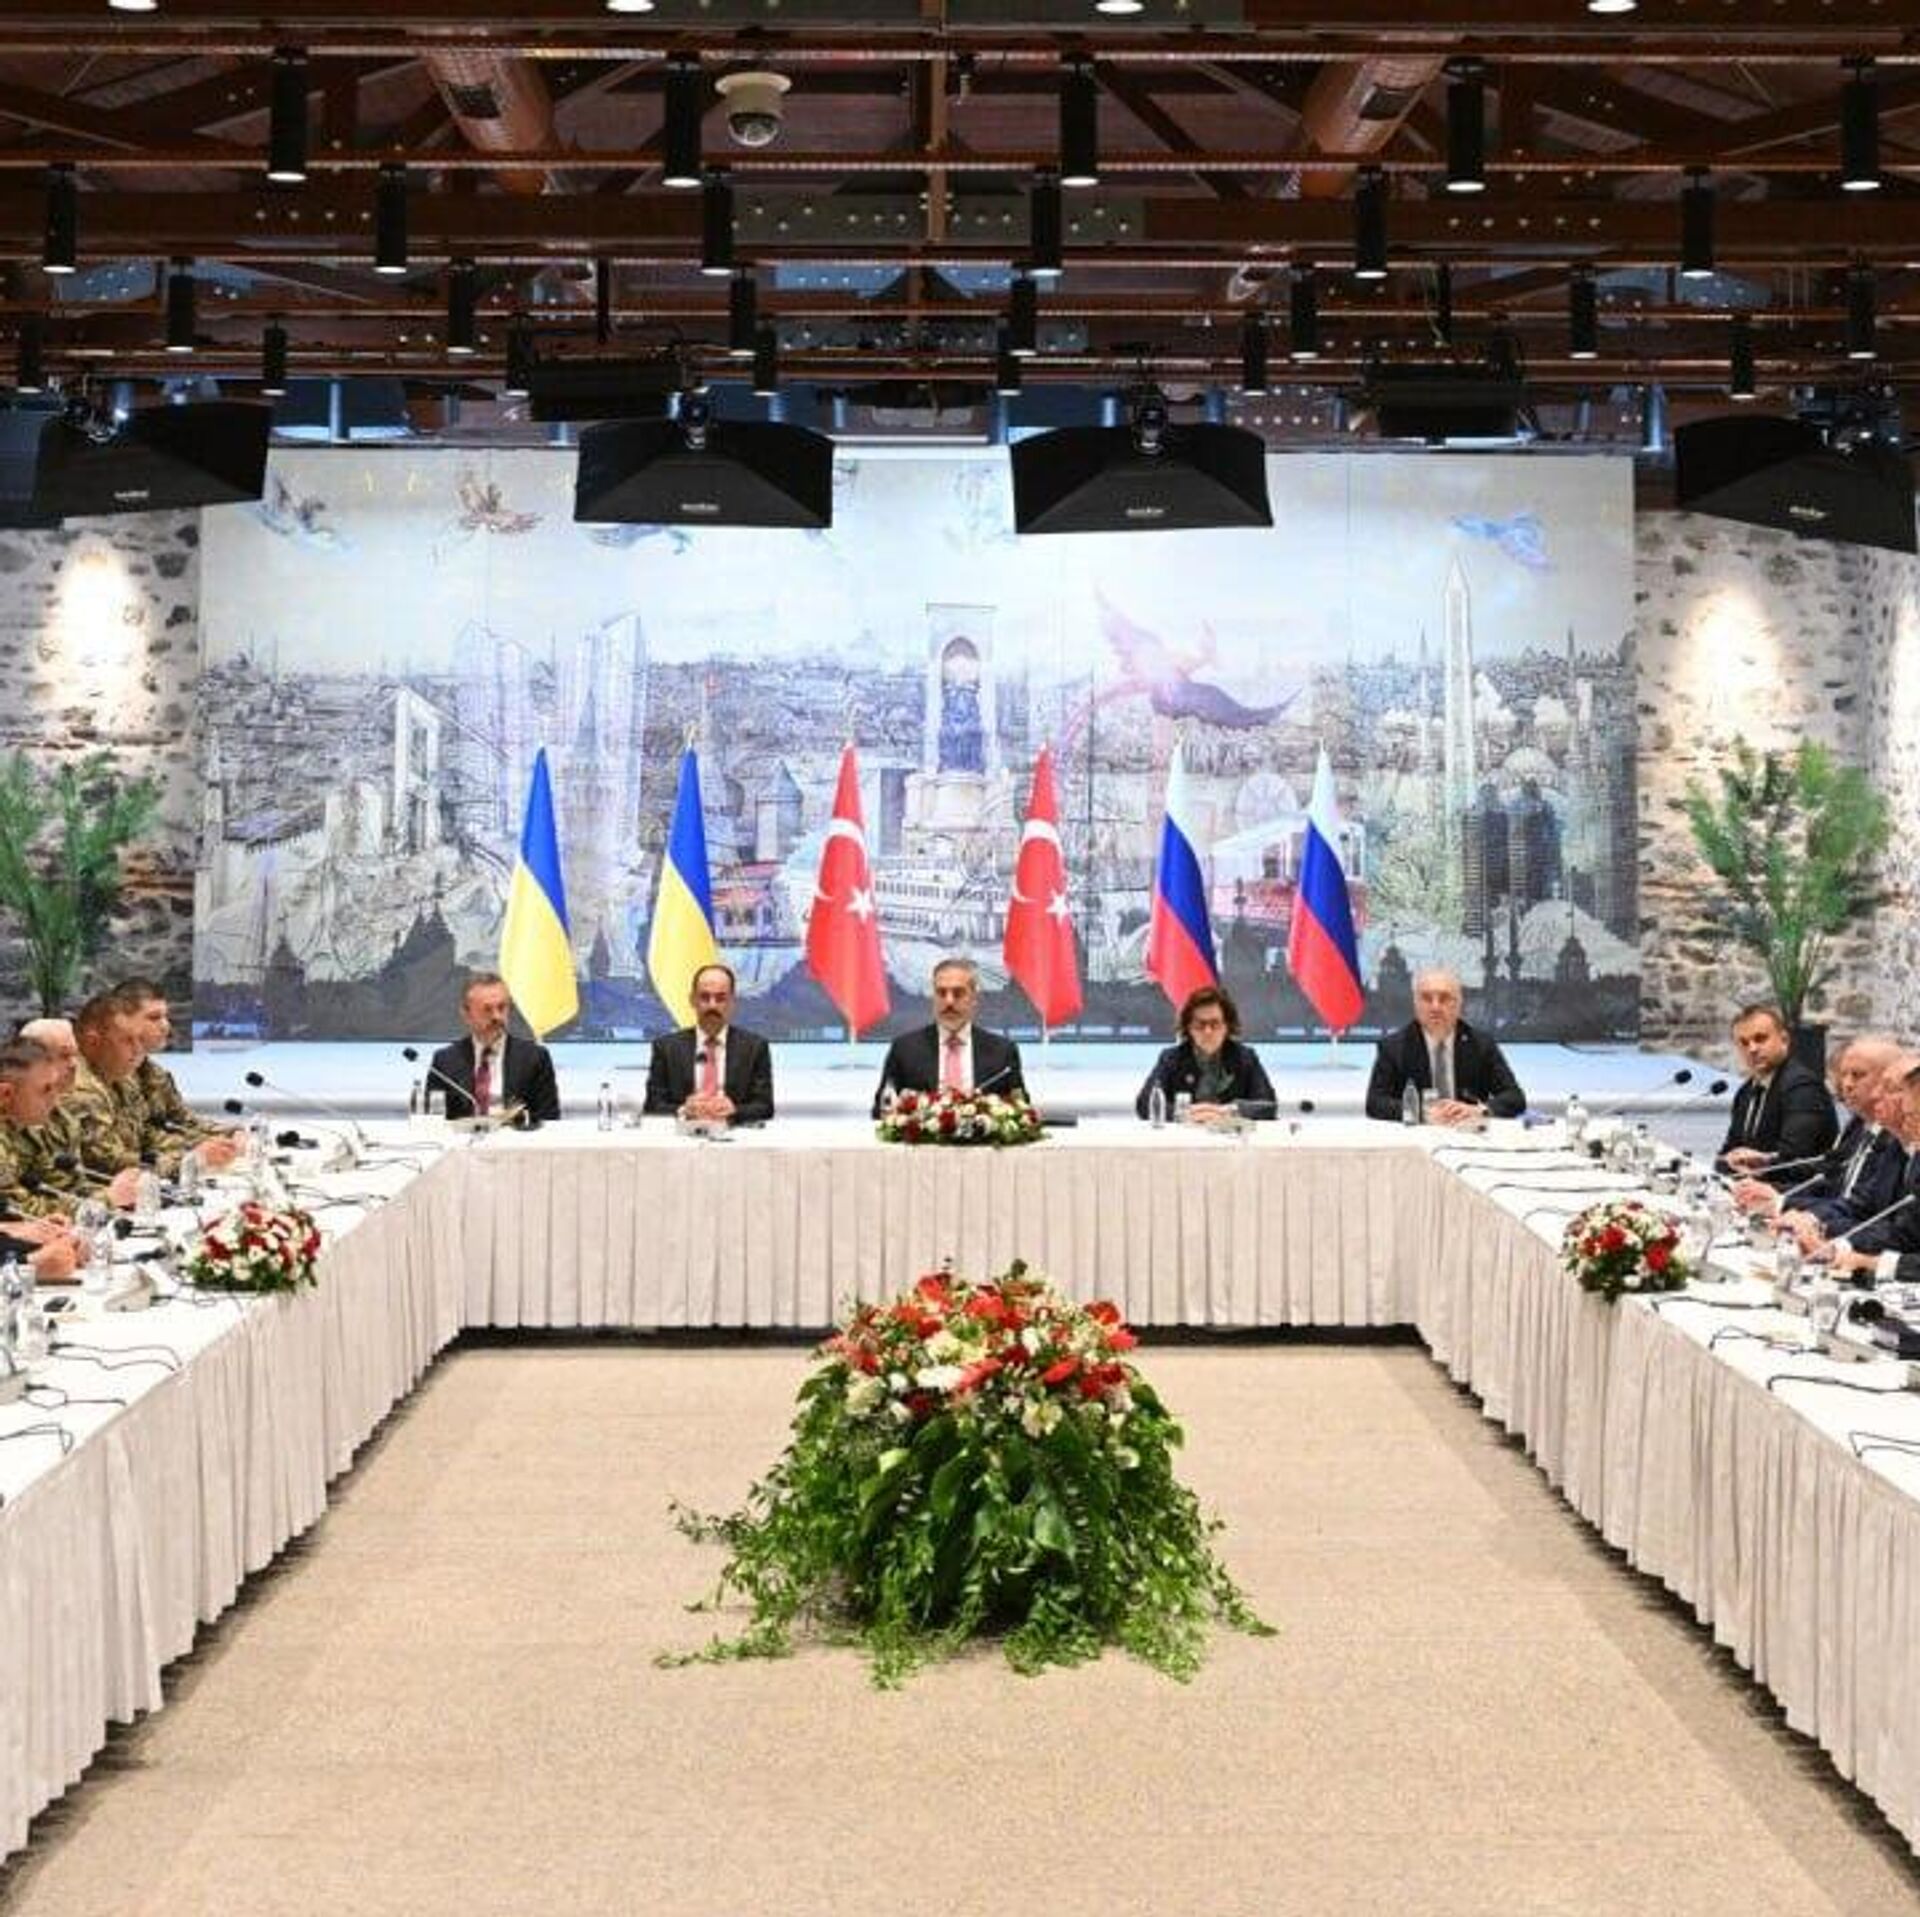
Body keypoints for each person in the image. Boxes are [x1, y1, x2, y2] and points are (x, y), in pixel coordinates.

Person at [1735, 1037, 1905, 1228]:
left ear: (1888, 1082)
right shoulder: (1859, 1125)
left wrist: (1783, 1203)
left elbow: (1870, 1214)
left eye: (1857, 1075)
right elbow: (1831, 1179)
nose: (1846, 1084)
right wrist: (1774, 1193)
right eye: (1843, 1075)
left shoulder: (1898, 1140)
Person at [105, 978, 242, 1167]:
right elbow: (140, 1141)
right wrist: (197, 1153)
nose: (165, 1026)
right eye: (154, 1018)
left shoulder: (153, 1073)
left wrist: (230, 1134)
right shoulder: (109, 1075)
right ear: (122, 1021)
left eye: (165, 1017)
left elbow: (183, 1121)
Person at [1363, 967, 1525, 1126]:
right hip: (1418, 1133)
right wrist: (1421, 1113)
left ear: (1459, 1004)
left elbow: (1514, 1097)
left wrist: (1478, 1110)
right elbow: (1375, 1102)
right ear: (1415, 1004)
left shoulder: (1481, 1044)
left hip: (1468, 1132)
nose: (1435, 1007)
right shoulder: (1393, 1047)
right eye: (1426, 998)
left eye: (1445, 998)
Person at [872, 956, 1026, 1119]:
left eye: (958, 993)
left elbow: (1021, 1110)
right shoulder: (904, 1050)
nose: (949, 1001)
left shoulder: (1002, 1052)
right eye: (941, 993)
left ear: (974, 998)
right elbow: (881, 1110)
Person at [0, 1036, 132, 1226]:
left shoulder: (24, 1128)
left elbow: (55, 1187)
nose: (55, 1098)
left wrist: (115, 1192)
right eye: (46, 1090)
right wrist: (108, 1198)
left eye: (55, 1087)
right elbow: (15, 1210)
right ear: (6, 1094)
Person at [1813, 1058, 1920, 1284]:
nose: (1875, 1095)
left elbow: (1905, 1235)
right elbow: (1900, 1228)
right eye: (1911, 1116)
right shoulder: (1901, 1150)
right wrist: (1836, 1242)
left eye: (1916, 1116)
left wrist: (1875, 1263)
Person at [1716, 1003, 1837, 1181]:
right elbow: (1729, 1151)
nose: (1752, 1049)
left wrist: (1750, 1168)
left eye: (1760, 1039)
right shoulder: (1746, 1092)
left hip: (1796, 1191)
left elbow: (1792, 1160)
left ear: (1784, 1040)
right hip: (1750, 1188)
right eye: (1744, 1043)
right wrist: (1726, 1163)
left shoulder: (1802, 1088)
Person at [643, 962, 775, 1127]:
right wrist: (684, 1109)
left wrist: (735, 1110)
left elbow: (765, 1106)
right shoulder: (666, 1048)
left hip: (733, 1134)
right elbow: (652, 1106)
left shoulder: (755, 1048)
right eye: (705, 997)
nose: (712, 1005)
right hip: (683, 1135)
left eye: (720, 998)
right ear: (692, 1000)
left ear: (732, 1002)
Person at [1134, 984, 1276, 1124]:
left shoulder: (1245, 1058)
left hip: (1230, 1135)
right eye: (1200, 1025)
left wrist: (1229, 1111)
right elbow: (1144, 1104)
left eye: (1215, 1024)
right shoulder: (1172, 1058)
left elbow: (1268, 1106)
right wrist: (1186, 1113)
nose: (1208, 1032)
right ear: (1189, 1028)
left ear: (1227, 1027)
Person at [429, 973, 560, 1125]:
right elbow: (432, 1120)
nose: (497, 1016)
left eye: (502, 1008)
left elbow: (549, 1120)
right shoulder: (445, 1061)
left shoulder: (535, 1058)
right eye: (487, 1009)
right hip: (462, 1139)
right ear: (466, 1013)